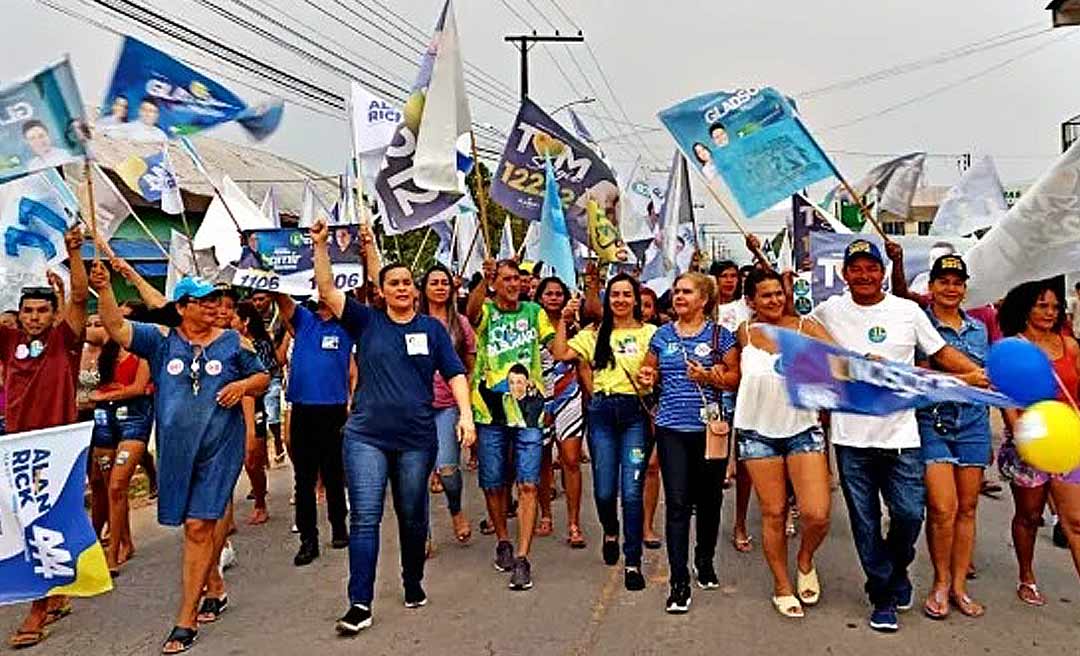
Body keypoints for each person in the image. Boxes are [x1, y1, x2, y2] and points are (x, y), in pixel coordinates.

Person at [300, 220, 475, 636]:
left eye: (405, 283)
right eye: (391, 283)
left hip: (416, 438)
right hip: (365, 437)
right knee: (365, 518)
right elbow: (326, 290)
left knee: (413, 516)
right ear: (380, 291)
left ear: (414, 290)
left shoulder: (431, 329)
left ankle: (412, 579)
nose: (400, 288)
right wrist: (321, 246)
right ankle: (359, 602)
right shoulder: (365, 320)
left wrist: (465, 416)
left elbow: (454, 374)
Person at [92, 268, 268, 655]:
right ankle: (214, 586)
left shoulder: (235, 342)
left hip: (220, 448)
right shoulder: (161, 342)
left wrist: (241, 385)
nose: (212, 307)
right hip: (176, 452)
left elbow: (262, 379)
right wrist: (104, 288)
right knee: (191, 526)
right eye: (203, 302)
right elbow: (116, 326)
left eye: (214, 301)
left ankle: (184, 619)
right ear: (183, 307)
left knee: (197, 525)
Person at [815, 239, 983, 633]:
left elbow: (940, 352)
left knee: (909, 515)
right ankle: (884, 595)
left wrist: (974, 375)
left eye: (871, 267)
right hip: (851, 435)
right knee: (865, 522)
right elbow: (803, 340)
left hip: (902, 434)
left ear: (883, 272)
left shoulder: (907, 311)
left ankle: (893, 570)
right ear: (845, 274)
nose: (864, 275)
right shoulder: (828, 312)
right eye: (855, 268)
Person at [888, 244, 992, 619]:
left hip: (974, 424)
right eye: (943, 281)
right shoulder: (920, 322)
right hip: (933, 422)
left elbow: (991, 376)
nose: (950, 288)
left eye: (957, 282)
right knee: (942, 509)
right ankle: (940, 582)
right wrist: (962, 379)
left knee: (968, 508)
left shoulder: (981, 328)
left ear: (965, 288)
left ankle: (960, 587)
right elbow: (920, 374)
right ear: (931, 286)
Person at [4, 228, 87, 650]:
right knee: (32, 525)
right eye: (27, 311)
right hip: (18, 450)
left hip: (59, 449)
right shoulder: (9, 342)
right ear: (17, 315)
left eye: (41, 310)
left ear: (53, 315)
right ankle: (56, 593)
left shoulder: (64, 342)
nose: (34, 317)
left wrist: (74, 254)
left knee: (45, 525)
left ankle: (38, 610)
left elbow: (80, 299)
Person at [638, 271, 740, 614]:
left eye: (686, 292)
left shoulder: (720, 337)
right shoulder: (661, 336)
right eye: (676, 291)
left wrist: (708, 375)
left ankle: (705, 559)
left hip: (710, 431)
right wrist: (646, 377)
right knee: (678, 503)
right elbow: (647, 373)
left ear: (704, 299)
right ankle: (678, 581)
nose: (679, 297)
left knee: (709, 501)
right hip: (671, 429)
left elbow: (733, 379)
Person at [733, 269, 832, 618]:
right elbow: (732, 375)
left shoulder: (807, 328)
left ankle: (805, 558)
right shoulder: (745, 332)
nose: (774, 300)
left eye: (778, 293)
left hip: (802, 429)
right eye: (765, 295)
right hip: (757, 433)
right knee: (773, 513)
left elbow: (843, 360)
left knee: (816, 514)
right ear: (751, 302)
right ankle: (781, 585)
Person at [552, 273, 657, 590]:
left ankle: (633, 562)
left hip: (636, 416)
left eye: (627, 294)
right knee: (604, 491)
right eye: (616, 295)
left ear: (636, 300)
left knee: (632, 491)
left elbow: (661, 371)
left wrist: (652, 379)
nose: (621, 300)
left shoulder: (652, 334)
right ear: (608, 300)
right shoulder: (593, 332)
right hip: (602, 415)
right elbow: (560, 354)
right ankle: (611, 530)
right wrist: (563, 319)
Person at [465, 258, 554, 591]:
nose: (513, 284)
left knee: (528, 483)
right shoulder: (487, 310)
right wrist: (481, 283)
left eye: (517, 279)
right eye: (506, 279)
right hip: (490, 410)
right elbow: (471, 314)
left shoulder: (534, 312)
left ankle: (522, 556)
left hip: (529, 410)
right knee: (494, 481)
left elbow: (553, 346)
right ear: (495, 283)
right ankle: (503, 537)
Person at [996, 278, 1080, 607]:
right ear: (1026, 308)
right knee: (1029, 516)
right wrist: (1021, 435)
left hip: (1068, 444)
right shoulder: (1011, 347)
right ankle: (1026, 575)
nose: (1049, 312)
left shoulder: (1069, 345)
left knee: (1075, 520)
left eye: (1055, 307)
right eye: (1042, 305)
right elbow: (1006, 398)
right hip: (1028, 445)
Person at [273, 290, 356, 565]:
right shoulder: (304, 320)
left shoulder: (347, 325)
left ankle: (339, 526)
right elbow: (282, 299)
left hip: (333, 410)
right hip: (303, 410)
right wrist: (272, 274)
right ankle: (308, 539)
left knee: (334, 474)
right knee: (304, 479)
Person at [89, 301, 154, 576]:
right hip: (104, 421)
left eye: (125, 319)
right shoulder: (106, 347)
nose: (117, 323)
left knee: (117, 485)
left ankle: (112, 554)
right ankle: (124, 540)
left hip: (135, 419)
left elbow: (139, 387)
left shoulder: (145, 350)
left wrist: (106, 395)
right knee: (106, 486)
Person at [418, 263, 477, 544]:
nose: (440, 287)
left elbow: (470, 362)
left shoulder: (460, 323)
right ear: (424, 289)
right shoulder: (411, 321)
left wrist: (466, 400)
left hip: (447, 405)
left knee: (448, 469)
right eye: (434, 282)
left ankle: (456, 510)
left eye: (444, 282)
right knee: (415, 473)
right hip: (414, 407)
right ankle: (423, 533)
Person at [534, 276, 585, 548]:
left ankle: (574, 522)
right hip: (539, 398)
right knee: (542, 459)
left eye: (558, 294)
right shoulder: (530, 324)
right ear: (540, 298)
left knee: (571, 459)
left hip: (569, 395)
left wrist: (566, 322)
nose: (553, 298)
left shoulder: (576, 327)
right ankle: (545, 514)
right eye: (548, 294)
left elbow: (566, 354)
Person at [711, 259, 754, 553]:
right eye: (723, 276)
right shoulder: (705, 310)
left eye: (733, 276)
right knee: (713, 458)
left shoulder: (745, 309)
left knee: (746, 460)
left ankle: (740, 523)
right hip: (715, 388)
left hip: (748, 387)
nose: (729, 281)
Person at [233, 301, 275, 525]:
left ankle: (260, 501)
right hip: (227, 408)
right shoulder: (220, 344)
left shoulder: (257, 346)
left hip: (253, 405)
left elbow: (264, 379)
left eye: (233, 317)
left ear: (245, 321)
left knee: (252, 460)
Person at [248, 291, 288, 464]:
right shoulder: (249, 314)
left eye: (261, 299)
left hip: (273, 372)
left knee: (272, 411)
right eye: (255, 299)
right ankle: (262, 454)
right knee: (257, 417)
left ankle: (278, 443)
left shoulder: (280, 317)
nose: (258, 303)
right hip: (253, 376)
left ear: (270, 298)